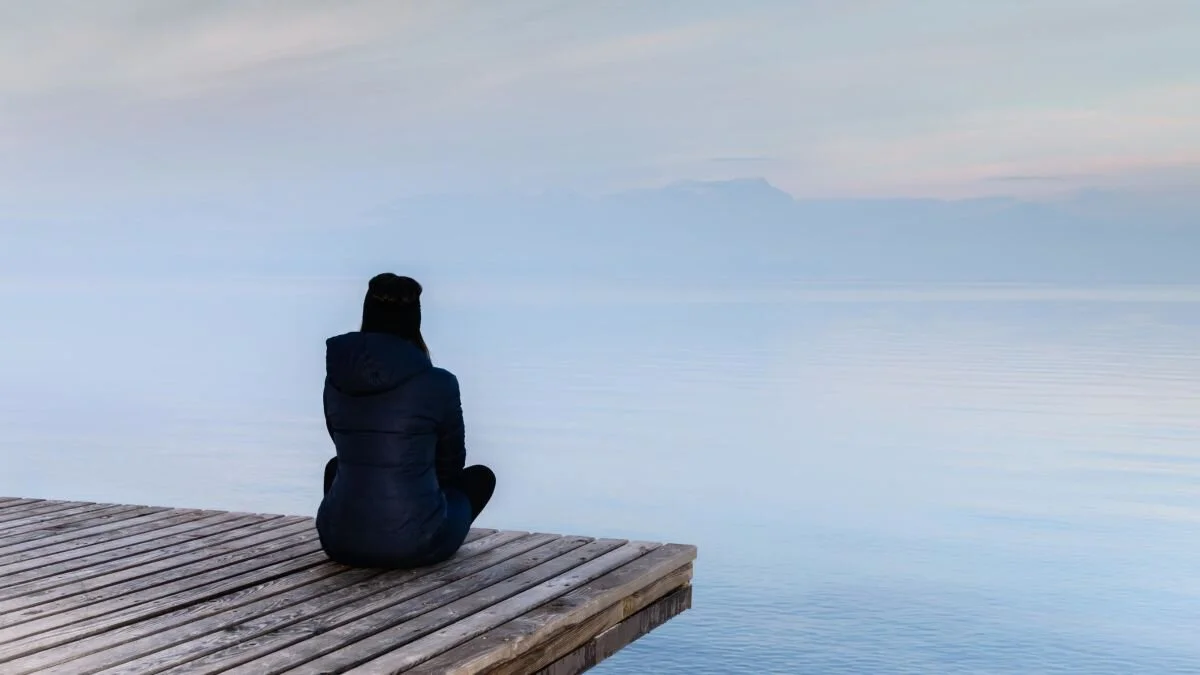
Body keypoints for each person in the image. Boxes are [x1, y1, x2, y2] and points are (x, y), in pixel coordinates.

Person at [316, 273, 496, 569]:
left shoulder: (335, 378)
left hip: (338, 543)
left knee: (337, 465)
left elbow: (342, 441)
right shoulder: (439, 383)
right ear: (415, 321)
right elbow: (451, 465)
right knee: (481, 478)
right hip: (415, 544)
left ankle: (356, 530)